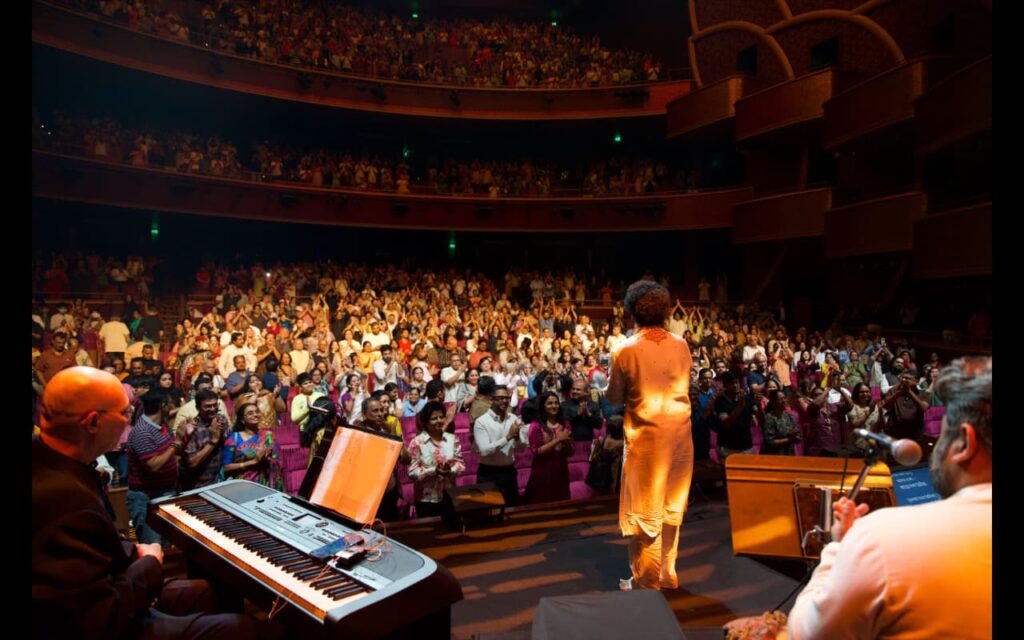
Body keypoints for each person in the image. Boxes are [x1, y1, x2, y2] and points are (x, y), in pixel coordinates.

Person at [33, 367, 261, 639]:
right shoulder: (65, 501)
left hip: (110, 588)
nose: (130, 420)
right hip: (106, 621)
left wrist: (131, 551)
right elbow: (99, 618)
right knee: (241, 628)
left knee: (212, 591)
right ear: (93, 423)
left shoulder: (50, 461)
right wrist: (149, 561)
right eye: (126, 413)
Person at [786, 357, 991, 639]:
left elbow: (807, 633)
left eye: (942, 436)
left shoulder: (882, 537)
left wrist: (836, 548)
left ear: (964, 443)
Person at [607, 280, 694, 591]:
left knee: (647, 512)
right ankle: (669, 573)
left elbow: (615, 397)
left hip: (647, 440)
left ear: (631, 313)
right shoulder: (681, 344)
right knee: (672, 506)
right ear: (666, 312)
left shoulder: (624, 349)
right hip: (681, 436)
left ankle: (648, 581)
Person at [407, 400, 466, 518]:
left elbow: (461, 466)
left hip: (449, 495)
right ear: (425, 422)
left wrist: (450, 470)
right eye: (434, 418)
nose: (439, 421)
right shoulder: (417, 442)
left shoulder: (452, 439)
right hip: (426, 499)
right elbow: (412, 472)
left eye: (441, 417)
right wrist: (434, 470)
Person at [473, 384, 529, 506]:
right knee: (490, 512)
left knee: (511, 510)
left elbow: (522, 449)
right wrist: (508, 437)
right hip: (489, 473)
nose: (504, 401)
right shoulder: (481, 421)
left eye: (507, 398)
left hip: (509, 472)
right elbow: (484, 451)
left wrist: (518, 437)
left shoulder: (513, 418)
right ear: (491, 399)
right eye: (500, 398)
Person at [221, 400, 284, 490]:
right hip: (242, 486)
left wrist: (268, 458)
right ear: (242, 419)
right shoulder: (233, 439)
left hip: (265, 484)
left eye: (257, 412)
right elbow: (226, 467)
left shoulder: (268, 435)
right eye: (250, 413)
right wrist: (253, 462)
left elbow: (277, 460)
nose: (255, 415)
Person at [523, 391, 573, 504]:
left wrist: (566, 442)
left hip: (561, 471)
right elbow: (536, 451)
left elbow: (570, 452)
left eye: (556, 403)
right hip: (542, 472)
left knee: (562, 505)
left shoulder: (565, 424)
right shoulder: (536, 426)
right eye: (549, 403)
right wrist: (558, 440)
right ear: (543, 406)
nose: (554, 406)